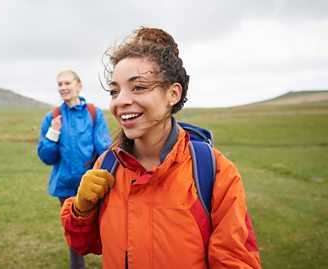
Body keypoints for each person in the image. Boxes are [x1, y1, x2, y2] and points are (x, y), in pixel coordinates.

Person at [60, 27, 262, 268]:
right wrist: (81, 211)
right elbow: (86, 245)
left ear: (173, 94)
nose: (121, 100)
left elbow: (235, 260)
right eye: (115, 90)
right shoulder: (107, 166)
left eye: (138, 87)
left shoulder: (215, 171)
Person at [37, 69, 111, 269]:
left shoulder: (94, 113)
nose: (63, 87)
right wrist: (53, 132)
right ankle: (77, 266)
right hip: (66, 186)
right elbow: (46, 157)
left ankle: (115, 261)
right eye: (60, 84)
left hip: (92, 185)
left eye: (67, 83)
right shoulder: (52, 117)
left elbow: (104, 148)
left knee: (105, 225)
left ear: (79, 85)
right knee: (74, 229)